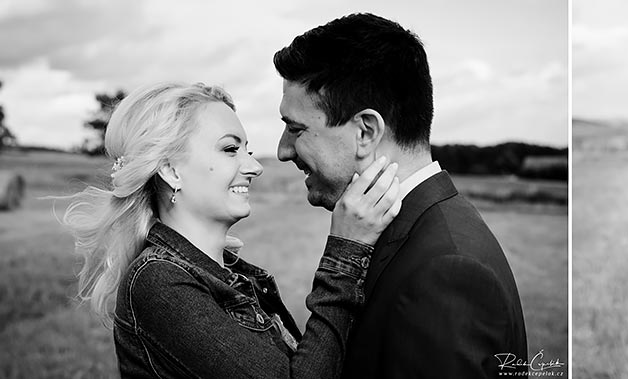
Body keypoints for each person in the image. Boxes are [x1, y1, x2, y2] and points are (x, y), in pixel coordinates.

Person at [57, 82, 401, 378]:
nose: (253, 167)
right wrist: (346, 252)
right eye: (230, 149)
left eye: (248, 150)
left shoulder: (232, 276)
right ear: (170, 170)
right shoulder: (158, 282)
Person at [273, 13, 528, 377]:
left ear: (365, 131)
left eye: (296, 129)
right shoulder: (409, 229)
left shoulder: (446, 274)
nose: (283, 151)